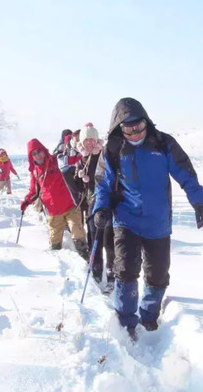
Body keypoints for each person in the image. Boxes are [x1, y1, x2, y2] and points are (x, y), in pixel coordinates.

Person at [93, 97, 203, 338]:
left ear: (147, 123)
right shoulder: (113, 149)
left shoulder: (163, 143)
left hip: (158, 222)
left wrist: (199, 201)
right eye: (128, 128)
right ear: (119, 128)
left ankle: (149, 317)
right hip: (126, 219)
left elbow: (185, 173)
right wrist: (101, 209)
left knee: (157, 273)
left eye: (139, 126)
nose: (135, 133)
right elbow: (102, 184)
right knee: (125, 270)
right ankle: (126, 324)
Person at [20, 139, 89, 259]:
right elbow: (34, 191)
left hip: (70, 205)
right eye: (34, 154)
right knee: (55, 241)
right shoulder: (35, 173)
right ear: (31, 157)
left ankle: (85, 258)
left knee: (77, 231)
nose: (37, 155)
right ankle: (56, 265)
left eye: (38, 151)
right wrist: (27, 201)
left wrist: (86, 154)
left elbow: (77, 159)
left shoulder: (57, 160)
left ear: (43, 150)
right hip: (53, 211)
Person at [75, 123, 115, 291]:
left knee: (109, 238)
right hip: (91, 203)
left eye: (92, 139)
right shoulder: (81, 161)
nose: (90, 143)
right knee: (94, 237)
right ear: (82, 142)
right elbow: (78, 189)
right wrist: (79, 177)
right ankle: (97, 270)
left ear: (97, 140)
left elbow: (108, 178)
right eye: (86, 140)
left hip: (106, 201)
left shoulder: (105, 156)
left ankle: (111, 272)